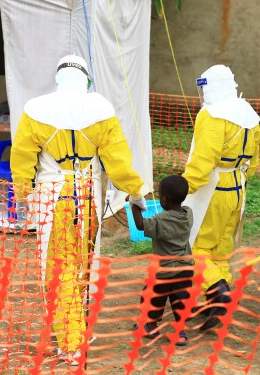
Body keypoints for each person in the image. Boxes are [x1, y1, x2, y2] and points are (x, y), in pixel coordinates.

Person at [11, 54, 146, 365]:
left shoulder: (35, 109)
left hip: (52, 197)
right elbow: (119, 164)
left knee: (59, 269)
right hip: (88, 197)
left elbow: (22, 160)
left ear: (59, 77)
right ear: (85, 78)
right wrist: (136, 194)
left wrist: (24, 196)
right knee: (85, 263)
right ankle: (79, 331)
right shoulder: (101, 110)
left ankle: (71, 342)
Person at [183, 64, 260, 331]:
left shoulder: (212, 115)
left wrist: (183, 188)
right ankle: (217, 305)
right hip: (238, 188)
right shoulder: (249, 114)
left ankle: (218, 292)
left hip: (212, 189)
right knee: (221, 251)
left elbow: (204, 161)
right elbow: (254, 162)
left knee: (194, 247)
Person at [129, 175, 194, 347]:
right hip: (185, 269)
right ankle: (181, 333)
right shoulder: (188, 213)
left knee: (152, 297)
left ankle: (150, 326)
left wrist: (134, 206)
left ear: (164, 200)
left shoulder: (161, 220)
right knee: (180, 301)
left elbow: (141, 225)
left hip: (164, 271)